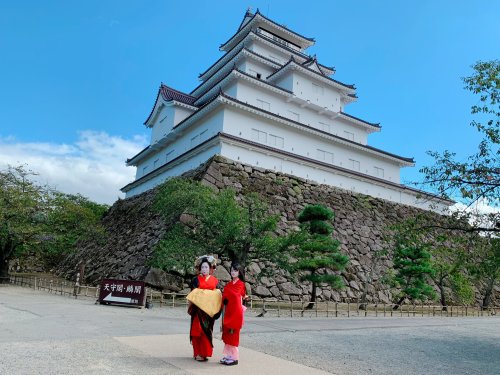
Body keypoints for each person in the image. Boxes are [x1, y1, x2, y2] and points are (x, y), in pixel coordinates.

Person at [187, 255, 220, 361]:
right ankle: (197, 352)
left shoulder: (215, 281)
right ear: (199, 269)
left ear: (210, 269)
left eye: (206, 267)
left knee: (206, 332)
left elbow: (217, 294)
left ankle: (204, 353)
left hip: (208, 312)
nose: (204, 269)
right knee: (197, 331)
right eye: (202, 267)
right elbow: (194, 294)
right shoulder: (195, 280)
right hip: (198, 310)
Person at [219, 262, 248, 366]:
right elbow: (226, 295)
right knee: (227, 334)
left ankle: (234, 357)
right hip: (228, 311)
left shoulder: (241, 284)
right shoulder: (229, 284)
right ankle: (228, 355)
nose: (233, 272)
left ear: (239, 272)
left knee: (233, 334)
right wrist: (225, 296)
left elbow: (235, 295)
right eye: (231, 270)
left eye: (235, 270)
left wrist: (227, 294)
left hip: (236, 313)